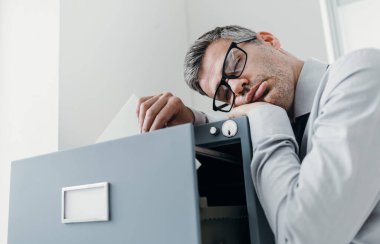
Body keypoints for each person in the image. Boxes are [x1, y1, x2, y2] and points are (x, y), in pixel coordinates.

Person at [136, 25, 380, 244]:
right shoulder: (285, 124)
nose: (235, 88)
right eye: (224, 95)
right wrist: (193, 119)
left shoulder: (358, 74)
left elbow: (304, 236)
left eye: (233, 65)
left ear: (269, 40)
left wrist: (264, 114)